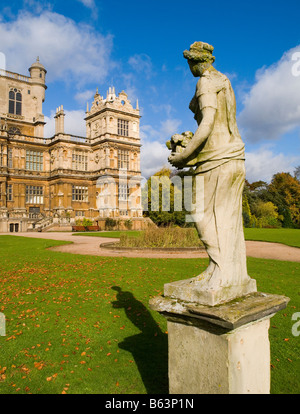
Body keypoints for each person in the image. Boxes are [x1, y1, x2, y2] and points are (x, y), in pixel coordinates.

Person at [169, 42, 254, 292]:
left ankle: (220, 270)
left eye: (188, 64)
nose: (189, 69)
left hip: (217, 158)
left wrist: (183, 156)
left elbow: (206, 124)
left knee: (199, 213)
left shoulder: (206, 81)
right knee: (227, 218)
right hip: (234, 155)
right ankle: (228, 273)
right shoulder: (225, 80)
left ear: (195, 62)